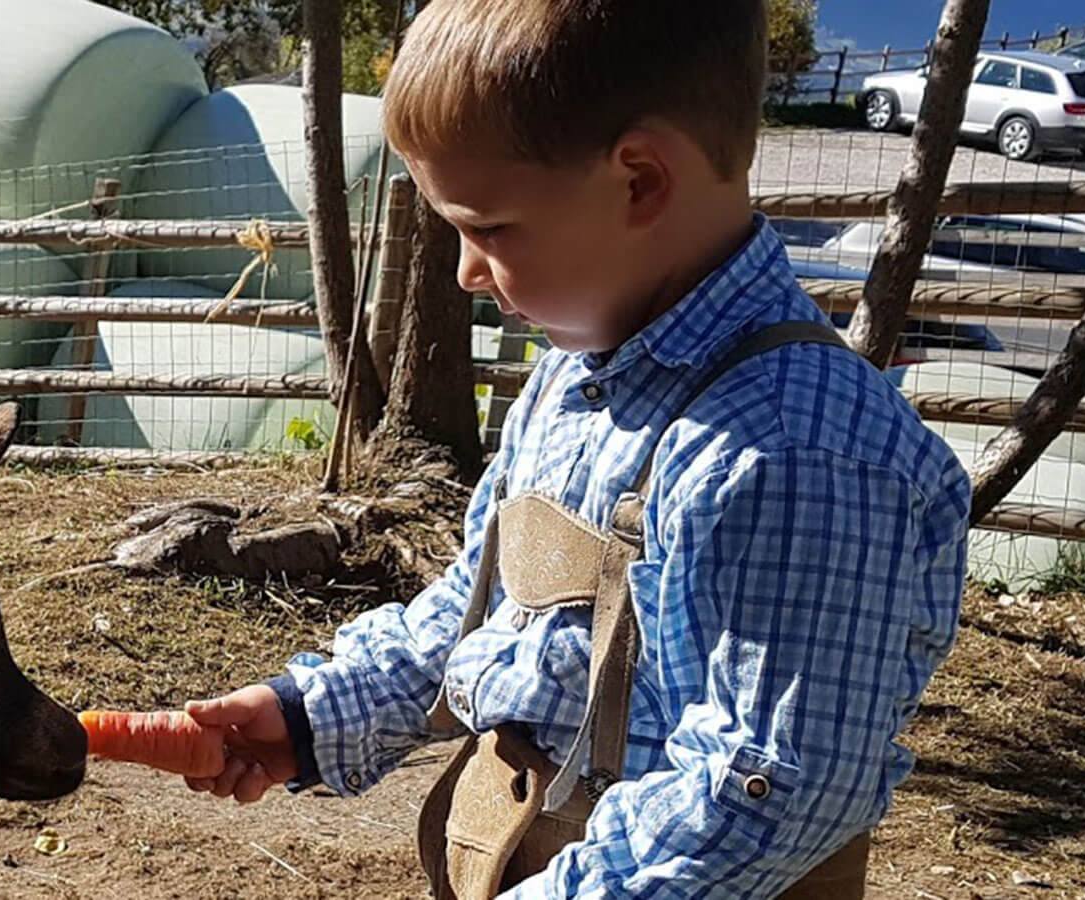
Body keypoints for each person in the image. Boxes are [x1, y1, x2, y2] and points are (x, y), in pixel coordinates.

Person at [178, 0, 973, 897]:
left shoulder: (793, 451)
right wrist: (313, 713)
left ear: (639, 180)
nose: (464, 273)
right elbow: (481, 610)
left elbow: (761, 796)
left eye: (489, 230)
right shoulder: (573, 377)